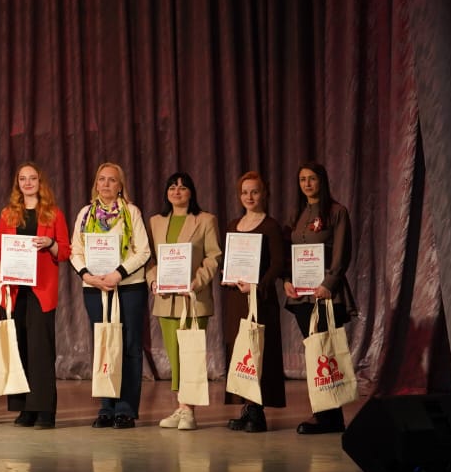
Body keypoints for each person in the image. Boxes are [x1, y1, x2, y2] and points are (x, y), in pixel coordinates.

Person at [70, 162, 152, 429]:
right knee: (103, 344)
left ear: (120, 185)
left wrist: (118, 273)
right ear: (96, 184)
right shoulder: (86, 213)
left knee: (128, 346)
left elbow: (144, 252)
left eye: (112, 180)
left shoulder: (131, 212)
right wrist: (87, 275)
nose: (106, 184)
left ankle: (126, 409)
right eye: (101, 180)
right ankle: (106, 406)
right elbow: (75, 251)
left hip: (128, 287)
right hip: (94, 287)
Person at [0, 162, 69, 430]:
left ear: (40, 182)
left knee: (41, 351)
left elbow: (65, 252)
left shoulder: (53, 214)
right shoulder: (7, 215)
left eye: (32, 178)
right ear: (17, 184)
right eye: (22, 178)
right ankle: (24, 409)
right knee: (18, 349)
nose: (27, 183)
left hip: (41, 290)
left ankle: (45, 410)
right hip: (14, 290)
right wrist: (0, 265)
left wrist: (50, 244)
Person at [145, 172, 222, 431]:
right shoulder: (155, 222)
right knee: (175, 355)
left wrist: (197, 282)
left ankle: (189, 410)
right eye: (172, 187)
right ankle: (181, 407)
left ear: (191, 192)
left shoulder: (205, 220)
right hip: (166, 300)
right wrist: (154, 281)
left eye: (183, 187)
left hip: (193, 298)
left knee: (191, 354)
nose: (177, 191)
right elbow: (150, 259)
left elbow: (213, 257)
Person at [282, 162, 355, 435]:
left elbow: (342, 252)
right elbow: (292, 252)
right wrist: (288, 280)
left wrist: (329, 283)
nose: (307, 184)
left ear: (322, 181)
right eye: (302, 179)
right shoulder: (299, 213)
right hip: (301, 295)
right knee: (313, 353)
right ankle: (325, 414)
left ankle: (329, 416)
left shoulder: (337, 212)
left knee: (326, 353)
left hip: (325, 294)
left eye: (312, 179)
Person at [220, 172, 288, 432]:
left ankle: (258, 411)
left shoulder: (271, 226)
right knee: (239, 352)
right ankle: (246, 407)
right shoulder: (233, 224)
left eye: (254, 192)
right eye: (244, 192)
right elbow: (228, 260)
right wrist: (226, 277)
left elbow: (278, 264)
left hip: (260, 298)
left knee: (259, 351)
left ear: (264, 194)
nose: (249, 197)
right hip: (237, 298)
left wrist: (257, 285)